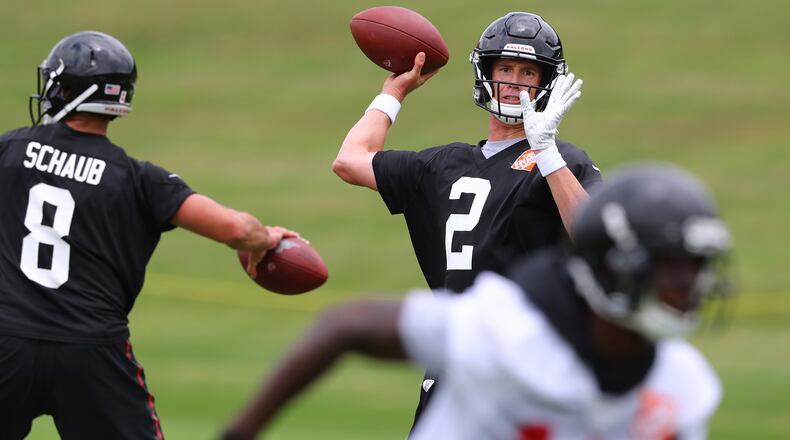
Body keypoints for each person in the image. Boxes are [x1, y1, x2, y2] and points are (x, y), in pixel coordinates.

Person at [220, 163, 732, 440]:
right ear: (612, 266)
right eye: (671, 267)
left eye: (696, 267)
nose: (689, 287)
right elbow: (348, 324)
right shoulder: (504, 330)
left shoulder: (684, 384)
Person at [0, 31, 296, 439]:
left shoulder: (10, 150)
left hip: (6, 341)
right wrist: (264, 240)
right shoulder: (139, 179)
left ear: (64, 89)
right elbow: (235, 228)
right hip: (93, 352)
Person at [332, 11, 602, 421]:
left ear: (544, 81)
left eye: (527, 72)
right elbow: (350, 161)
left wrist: (546, 152)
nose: (513, 81)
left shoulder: (562, 162)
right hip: (455, 360)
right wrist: (394, 91)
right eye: (505, 68)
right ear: (484, 73)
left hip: (528, 362)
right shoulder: (443, 163)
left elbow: (598, 240)